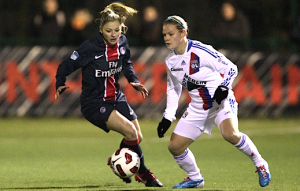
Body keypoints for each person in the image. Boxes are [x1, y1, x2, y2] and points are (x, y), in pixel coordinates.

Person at [55, 3, 162, 187]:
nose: (113, 34)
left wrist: (133, 80)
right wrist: (59, 82)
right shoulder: (90, 47)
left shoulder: (122, 42)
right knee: (130, 132)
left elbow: (126, 62)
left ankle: (117, 161)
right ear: (100, 30)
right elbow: (66, 65)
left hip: (116, 97)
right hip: (94, 103)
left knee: (137, 136)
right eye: (108, 30)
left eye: (117, 30)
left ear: (122, 28)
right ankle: (144, 174)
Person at [157, 15, 271, 189]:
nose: (166, 38)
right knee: (174, 146)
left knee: (230, 134)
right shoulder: (171, 61)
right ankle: (195, 178)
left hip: (220, 102)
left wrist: (224, 87)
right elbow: (174, 89)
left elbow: (231, 68)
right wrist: (168, 117)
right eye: (164, 35)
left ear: (183, 33)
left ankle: (260, 163)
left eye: (171, 34)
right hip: (198, 107)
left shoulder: (201, 51)